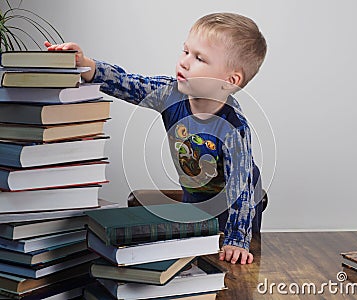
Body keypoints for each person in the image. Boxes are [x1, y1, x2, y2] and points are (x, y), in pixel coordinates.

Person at [45, 12, 267, 265]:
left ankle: (239, 242)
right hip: (195, 202)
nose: (184, 62)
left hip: (235, 206)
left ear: (230, 80)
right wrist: (87, 65)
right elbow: (128, 84)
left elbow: (241, 188)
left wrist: (237, 239)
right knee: (191, 258)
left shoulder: (233, 128)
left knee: (232, 258)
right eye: (185, 52)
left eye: (199, 58)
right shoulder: (170, 94)